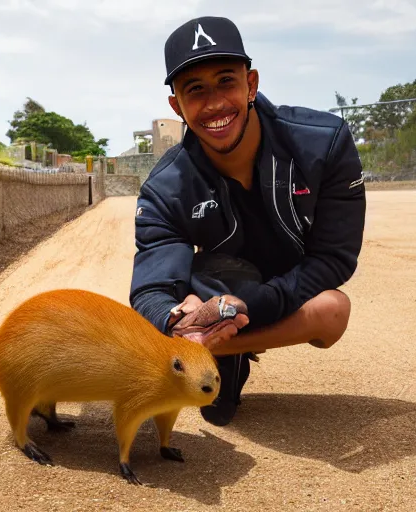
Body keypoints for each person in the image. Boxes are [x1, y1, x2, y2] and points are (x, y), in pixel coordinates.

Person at [129, 16, 366, 426]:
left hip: (286, 287)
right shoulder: (165, 186)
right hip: (216, 286)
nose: (216, 103)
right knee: (171, 309)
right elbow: (149, 289)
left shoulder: (323, 143)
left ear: (251, 84)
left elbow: (334, 258)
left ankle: (214, 350)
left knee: (332, 312)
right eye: (195, 90)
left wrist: (247, 309)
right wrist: (176, 317)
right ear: (177, 106)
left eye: (226, 81)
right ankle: (208, 346)